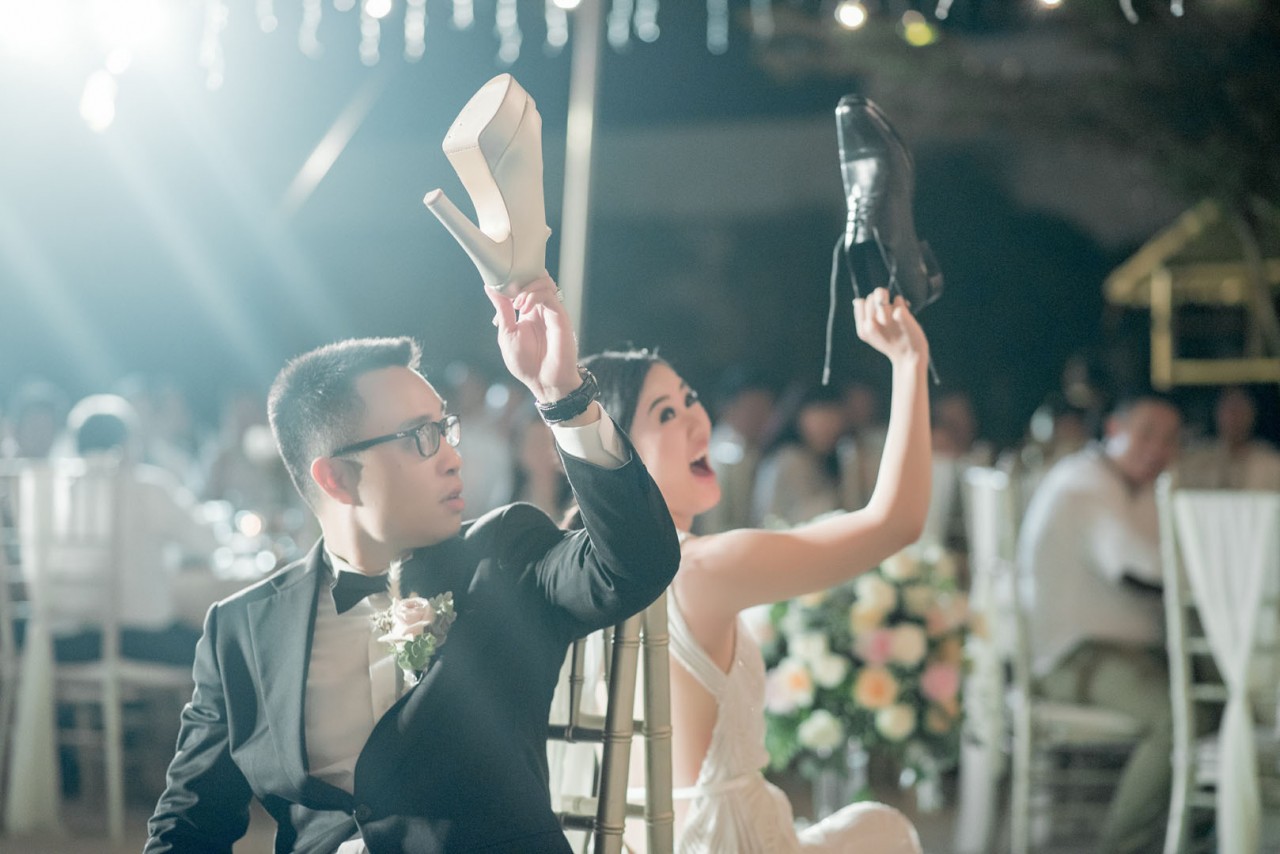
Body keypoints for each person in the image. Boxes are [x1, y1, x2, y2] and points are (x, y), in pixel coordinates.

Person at [144, 277, 681, 854]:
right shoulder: (242, 630)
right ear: (337, 477)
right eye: (421, 437)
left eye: (445, 429)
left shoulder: (505, 555)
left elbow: (637, 562)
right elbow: (189, 826)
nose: (453, 457)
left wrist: (563, 396)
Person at [582, 287, 929, 853]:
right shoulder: (701, 567)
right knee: (887, 831)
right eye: (665, 414)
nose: (697, 421)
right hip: (726, 841)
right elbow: (896, 523)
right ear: (615, 453)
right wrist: (910, 363)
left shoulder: (582, 566)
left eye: (690, 399)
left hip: (640, 840)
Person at [1017, 392, 1182, 854]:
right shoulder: (1086, 484)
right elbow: (1136, 569)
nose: (1159, 448)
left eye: (1170, 439)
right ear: (1114, 429)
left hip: (1119, 652)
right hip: (1072, 659)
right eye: (1147, 434)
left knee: (1219, 699)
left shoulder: (1130, 485)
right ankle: (1123, 846)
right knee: (1180, 717)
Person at [1177, 385, 1280, 491]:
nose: (1235, 417)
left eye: (1241, 410)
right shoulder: (1194, 461)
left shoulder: (1272, 463)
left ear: (1253, 414)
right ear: (1216, 412)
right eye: (1229, 409)